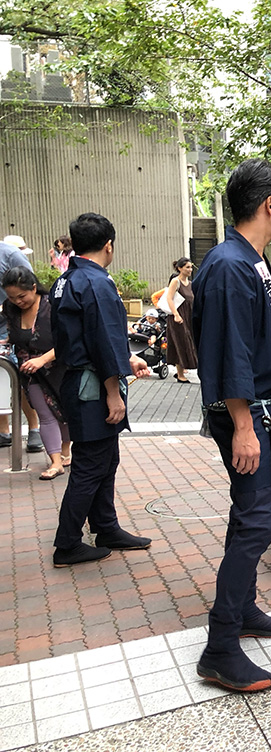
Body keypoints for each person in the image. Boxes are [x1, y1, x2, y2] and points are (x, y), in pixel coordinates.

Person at [191, 158, 271, 692]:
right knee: (257, 519)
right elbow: (228, 351)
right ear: (267, 206)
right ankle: (220, 646)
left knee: (251, 513)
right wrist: (244, 424)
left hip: (261, 406)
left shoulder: (249, 259)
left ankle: (246, 608)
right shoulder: (232, 264)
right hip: (248, 410)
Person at [50, 213, 152, 566]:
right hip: (93, 385)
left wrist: (127, 360)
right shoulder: (97, 282)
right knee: (92, 464)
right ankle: (67, 543)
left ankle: (106, 526)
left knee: (104, 458)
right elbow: (104, 338)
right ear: (109, 245)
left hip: (76, 379)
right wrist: (114, 391)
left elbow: (92, 337)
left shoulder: (67, 280)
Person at [2, 266, 71, 480]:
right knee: (45, 414)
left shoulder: (53, 305)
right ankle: (56, 461)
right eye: (13, 298)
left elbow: (68, 340)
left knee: (65, 414)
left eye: (22, 296)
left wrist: (43, 359)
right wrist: (6, 343)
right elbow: (14, 336)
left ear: (34, 288)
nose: (18, 302)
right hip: (29, 370)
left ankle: (65, 449)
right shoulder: (9, 308)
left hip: (58, 366)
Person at [0, 235, 32, 449]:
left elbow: (30, 290)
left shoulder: (9, 254)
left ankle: (35, 427)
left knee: (23, 381)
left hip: (11, 328)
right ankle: (3, 431)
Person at [165, 257, 199, 384]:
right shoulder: (175, 281)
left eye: (190, 267)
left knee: (188, 341)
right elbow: (169, 298)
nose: (190, 270)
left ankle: (182, 370)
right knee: (180, 342)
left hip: (188, 316)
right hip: (178, 316)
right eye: (187, 267)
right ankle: (180, 374)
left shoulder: (190, 284)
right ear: (180, 268)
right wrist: (176, 314)